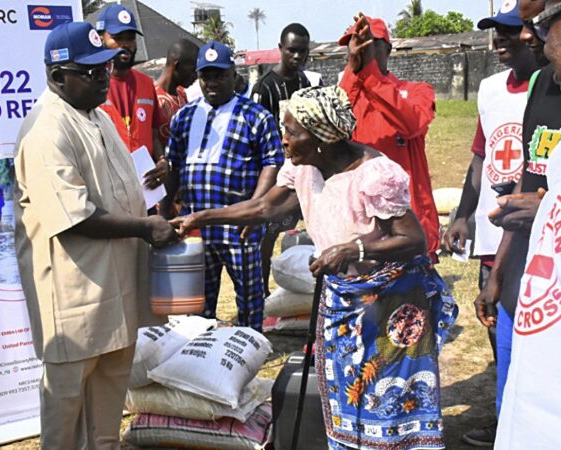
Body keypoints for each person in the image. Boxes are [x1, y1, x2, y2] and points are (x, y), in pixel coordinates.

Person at [172, 86, 457, 450]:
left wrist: (354, 248)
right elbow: (264, 207)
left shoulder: (375, 174)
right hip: (342, 297)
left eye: (292, 132)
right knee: (345, 388)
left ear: (323, 137)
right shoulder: (303, 167)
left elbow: (414, 239)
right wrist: (200, 218)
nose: (284, 140)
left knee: (391, 395)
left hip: (392, 301)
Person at [13, 22, 177, 449]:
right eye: (90, 72)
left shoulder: (99, 116)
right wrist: (146, 228)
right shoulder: (46, 129)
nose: (104, 77)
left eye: (104, 67)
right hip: (74, 297)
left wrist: (155, 188)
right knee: (65, 415)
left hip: (116, 290)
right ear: (57, 75)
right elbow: (76, 216)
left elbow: (123, 187)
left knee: (107, 414)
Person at [464, 0, 561, 446]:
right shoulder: (543, 84)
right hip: (524, 278)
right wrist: (498, 273)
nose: (526, 35)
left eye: (537, 24)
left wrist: (554, 209)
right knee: (515, 394)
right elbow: (527, 181)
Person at [441, 2, 538, 444]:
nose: (499, 39)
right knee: (497, 328)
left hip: (535, 231)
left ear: (531, 36)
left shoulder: (552, 87)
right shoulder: (490, 89)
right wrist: (462, 214)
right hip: (493, 232)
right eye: (495, 31)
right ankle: (504, 417)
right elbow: (480, 158)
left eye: (509, 31)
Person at [163, 41, 284, 331]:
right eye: (206, 76)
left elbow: (272, 163)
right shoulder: (184, 116)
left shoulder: (255, 116)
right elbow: (172, 165)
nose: (212, 82)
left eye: (219, 75)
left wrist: (255, 211)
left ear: (233, 74)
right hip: (195, 227)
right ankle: (204, 349)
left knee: (249, 300)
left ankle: (251, 346)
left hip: (239, 227)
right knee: (199, 304)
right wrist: (165, 212)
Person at [338, 15, 441, 262]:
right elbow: (331, 125)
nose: (361, 49)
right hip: (362, 224)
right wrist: (353, 73)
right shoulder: (348, 95)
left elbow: (411, 124)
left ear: (388, 49)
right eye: (355, 44)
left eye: (368, 43)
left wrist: (371, 76)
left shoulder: (416, 91)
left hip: (409, 223)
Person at [251, 22, 312, 295]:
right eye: (292, 50)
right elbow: (253, 136)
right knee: (267, 236)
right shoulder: (264, 88)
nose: (297, 56)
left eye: (302, 51)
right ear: (280, 49)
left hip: (304, 174)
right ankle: (261, 291)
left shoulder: (304, 84)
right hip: (275, 177)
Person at [96, 4, 167, 191]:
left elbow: (153, 133)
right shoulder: (91, 85)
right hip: (108, 189)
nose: (125, 45)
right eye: (118, 38)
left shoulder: (146, 83)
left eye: (130, 38)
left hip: (144, 190)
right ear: (101, 39)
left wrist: (161, 160)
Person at [154, 39, 199, 146]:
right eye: (193, 70)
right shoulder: (153, 98)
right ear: (177, 66)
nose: (196, 76)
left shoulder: (181, 95)